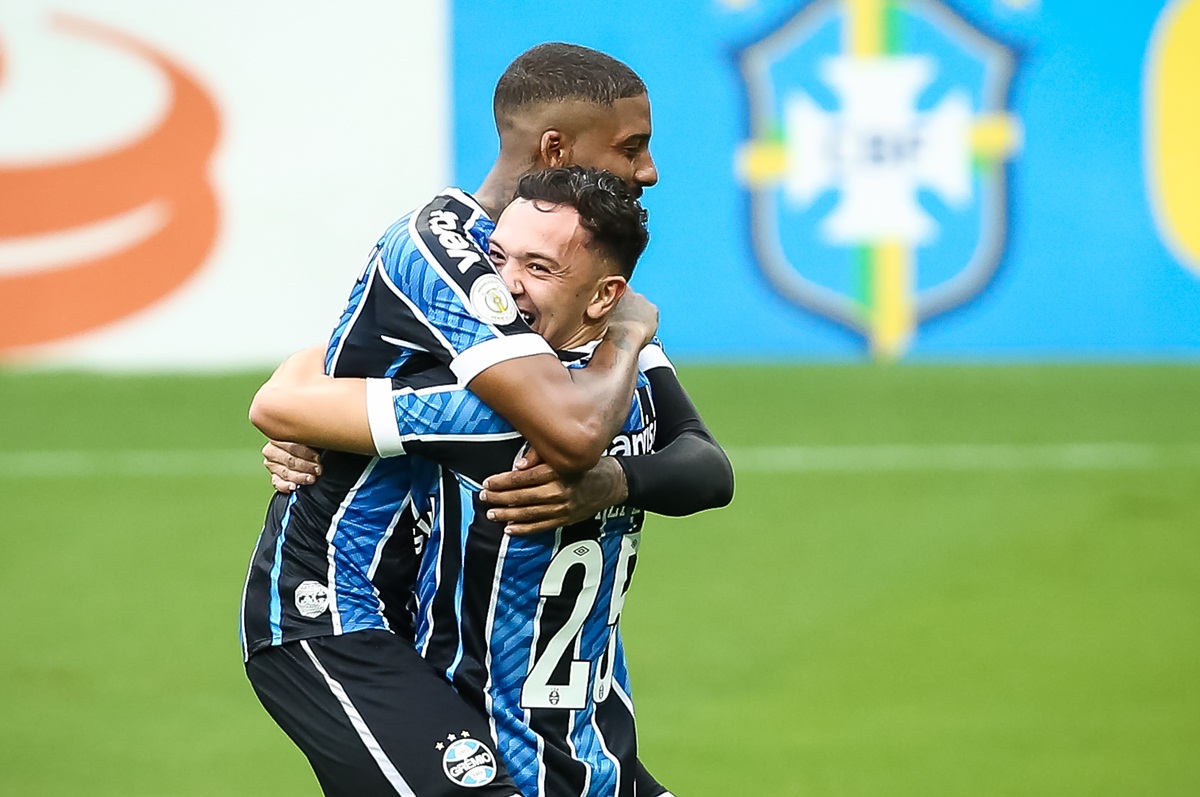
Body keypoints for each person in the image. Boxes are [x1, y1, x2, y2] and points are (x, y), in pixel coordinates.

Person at [244, 44, 732, 797]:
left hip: (438, 619)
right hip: (332, 603)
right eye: (631, 148)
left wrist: (616, 473)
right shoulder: (452, 253)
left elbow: (702, 462)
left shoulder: (567, 288)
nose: (649, 170)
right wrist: (629, 346)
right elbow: (567, 433)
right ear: (556, 150)